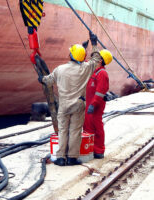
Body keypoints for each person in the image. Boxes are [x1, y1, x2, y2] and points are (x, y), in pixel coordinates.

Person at [38, 32, 102, 166]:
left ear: (70, 55)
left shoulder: (60, 69)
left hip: (64, 105)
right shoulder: (86, 68)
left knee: (63, 131)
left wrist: (41, 79)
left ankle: (61, 158)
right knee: (75, 131)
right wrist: (94, 44)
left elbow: (48, 81)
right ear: (83, 57)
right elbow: (96, 59)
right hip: (78, 104)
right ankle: (72, 158)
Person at [83, 49, 113, 159]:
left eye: (97, 57)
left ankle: (99, 150)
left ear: (100, 60)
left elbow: (100, 92)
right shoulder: (96, 72)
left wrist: (93, 104)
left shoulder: (102, 73)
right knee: (88, 128)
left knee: (97, 128)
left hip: (95, 107)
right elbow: (85, 63)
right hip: (90, 105)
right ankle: (91, 149)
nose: (93, 59)